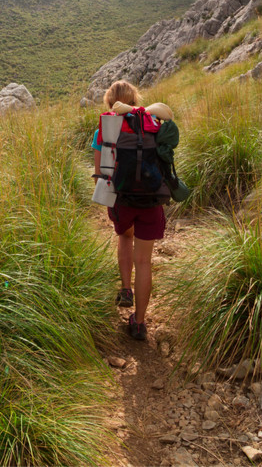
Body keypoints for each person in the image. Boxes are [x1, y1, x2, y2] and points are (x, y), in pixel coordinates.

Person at [91, 79, 169, 342]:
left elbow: (100, 172)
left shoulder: (107, 125)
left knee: (125, 237)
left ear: (110, 102)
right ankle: (139, 323)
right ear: (136, 98)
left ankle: (126, 289)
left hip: (122, 198)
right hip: (150, 198)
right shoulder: (153, 122)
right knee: (144, 261)